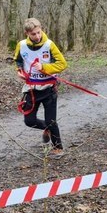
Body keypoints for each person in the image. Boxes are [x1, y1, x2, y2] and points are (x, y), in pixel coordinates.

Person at [14, 18, 68, 155]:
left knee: (51, 121)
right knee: (29, 121)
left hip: (48, 88)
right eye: (33, 34)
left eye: (39, 32)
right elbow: (18, 60)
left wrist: (44, 67)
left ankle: (58, 148)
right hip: (31, 89)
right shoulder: (21, 45)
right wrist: (20, 71)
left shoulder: (49, 45)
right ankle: (47, 128)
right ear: (27, 33)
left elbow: (62, 64)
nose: (37, 36)